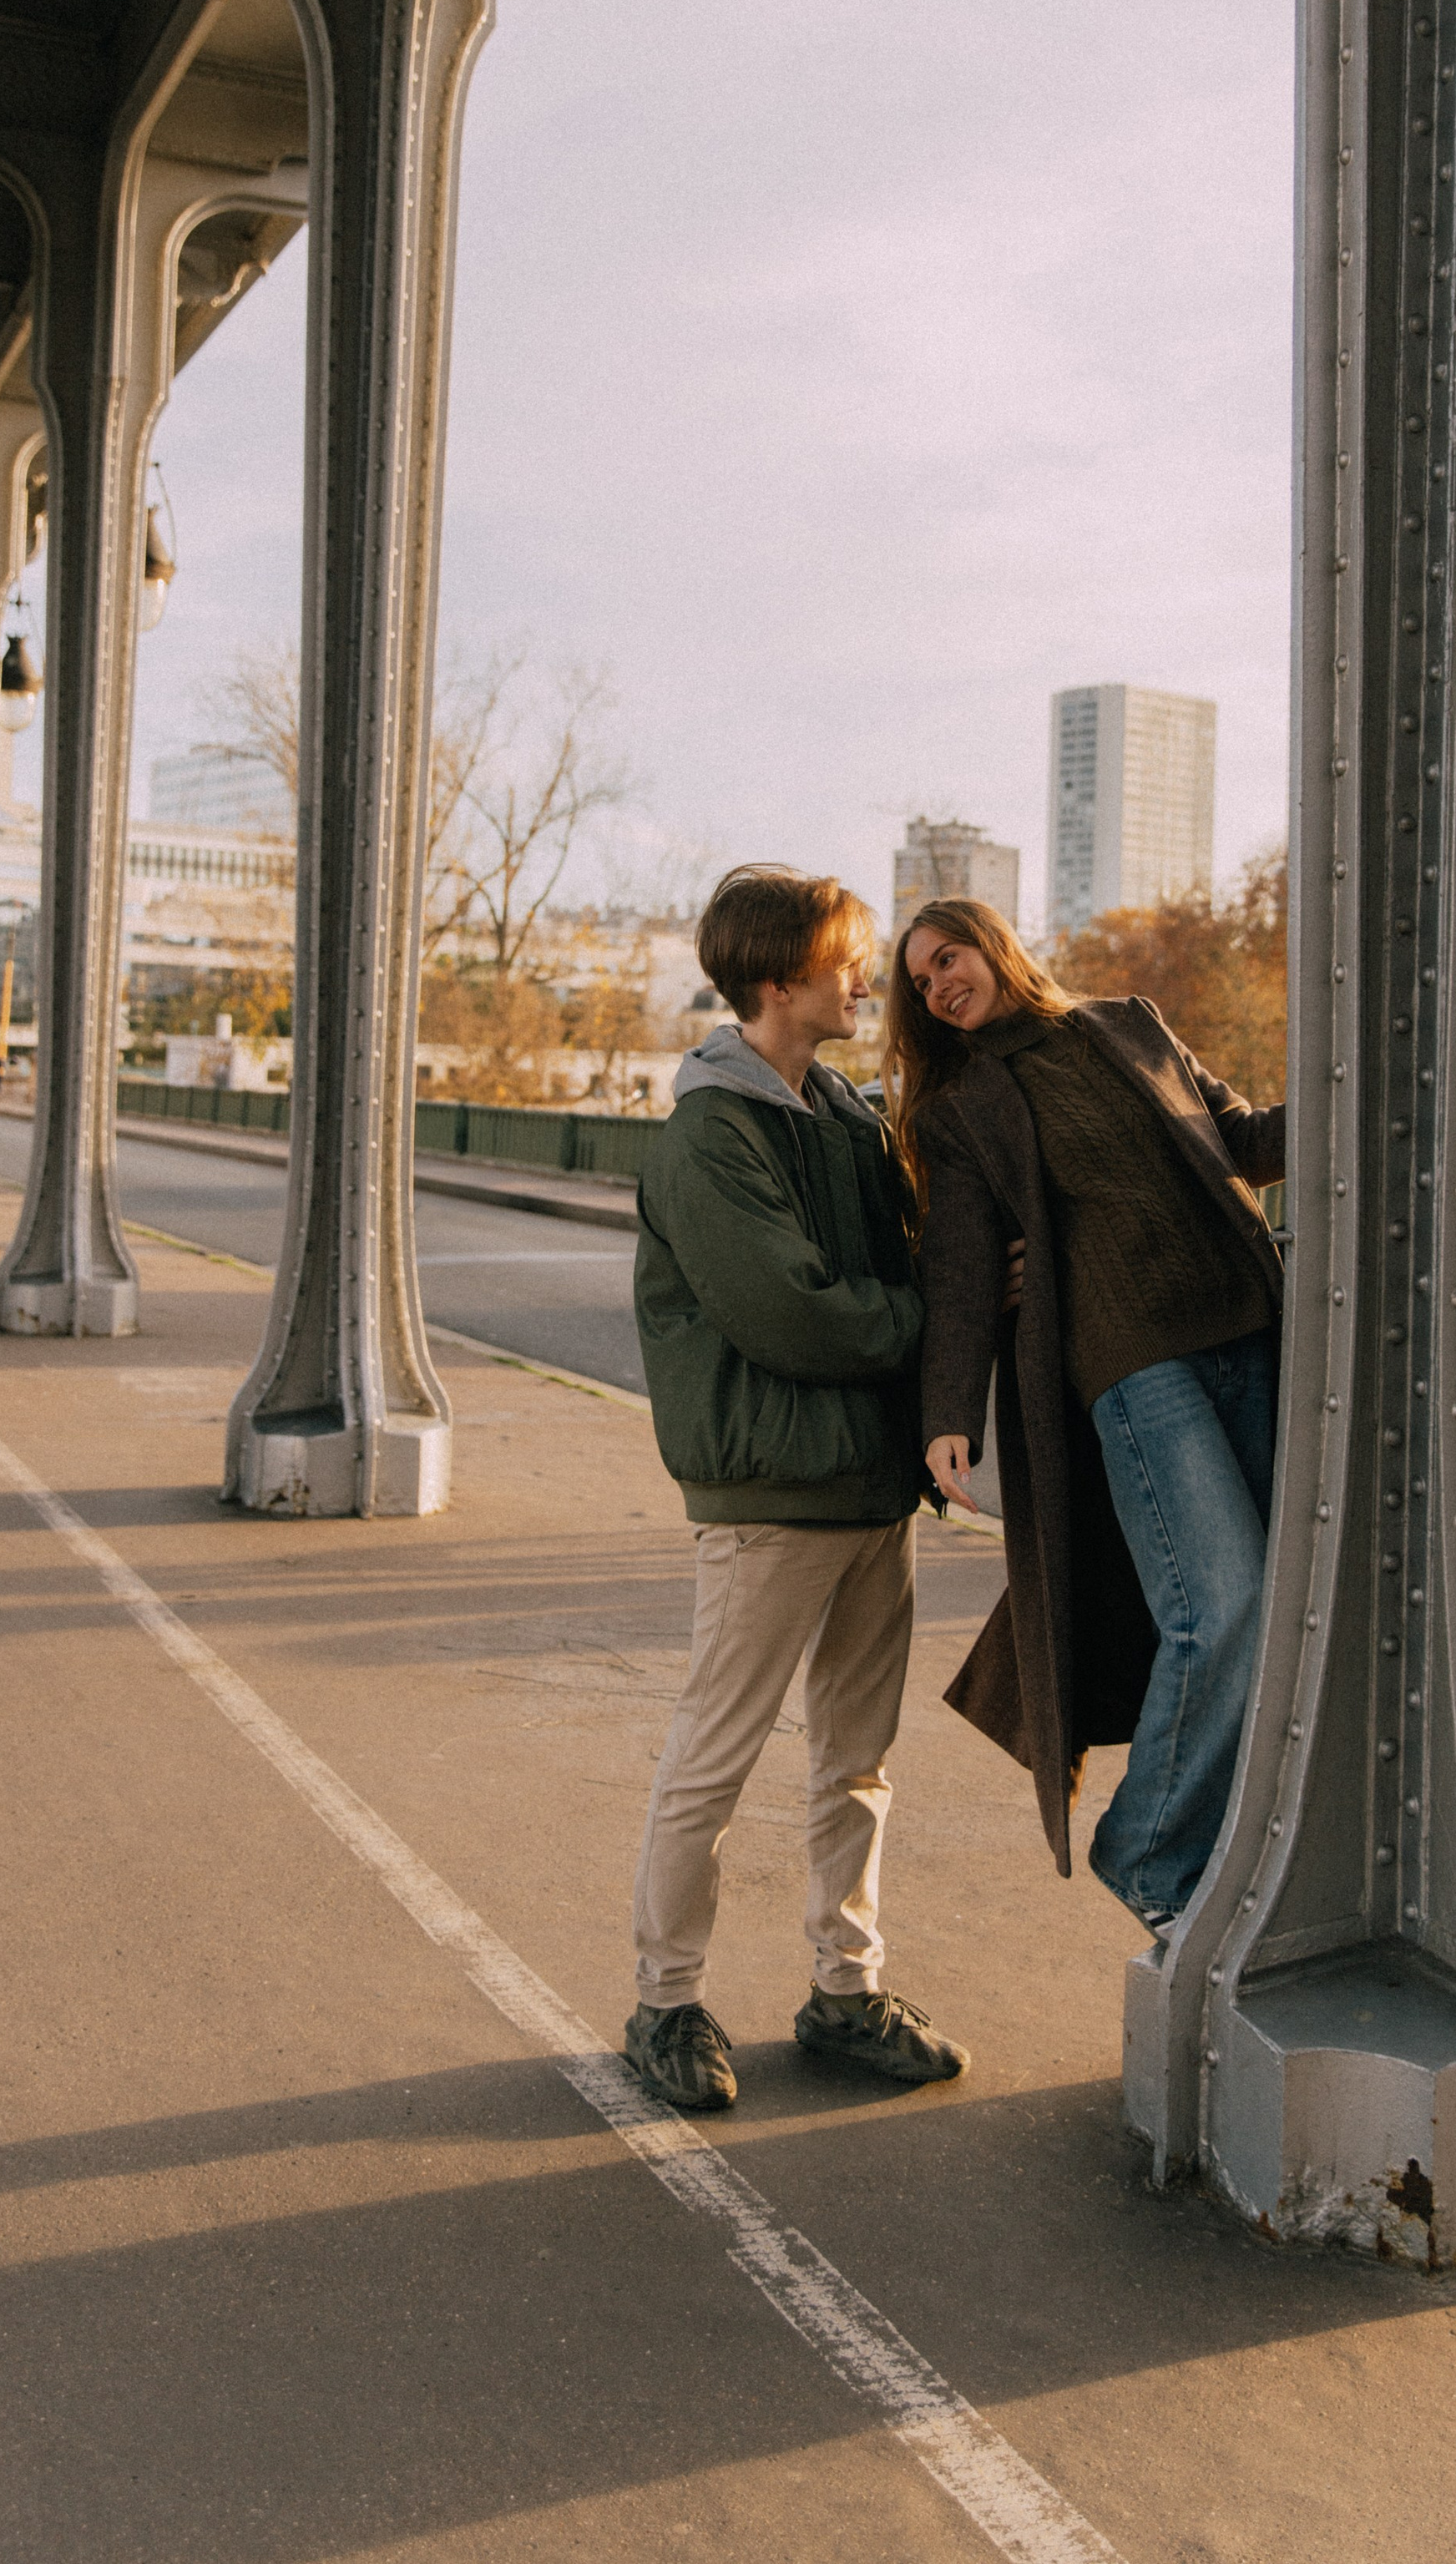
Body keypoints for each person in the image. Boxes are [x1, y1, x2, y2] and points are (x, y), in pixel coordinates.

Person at [625, 863, 969, 2114]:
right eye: (844, 959)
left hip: (870, 1493)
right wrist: (937, 1322)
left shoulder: (845, 1117)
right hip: (769, 1494)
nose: (863, 977)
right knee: (713, 1762)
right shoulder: (709, 1133)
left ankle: (846, 1991)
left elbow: (909, 1248)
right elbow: (794, 1313)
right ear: (780, 980)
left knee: (858, 1763)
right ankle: (664, 2003)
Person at [886, 897, 1287, 1939]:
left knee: (1282, 1606)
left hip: (1246, 1332)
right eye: (920, 979)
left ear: (993, 944)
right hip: (1127, 1365)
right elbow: (965, 1265)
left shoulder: (1128, 1025)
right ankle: (1149, 1853)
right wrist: (948, 1412)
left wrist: (1353, 1100)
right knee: (1222, 1604)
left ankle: (1240, 1851)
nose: (936, 985)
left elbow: (1236, 1138)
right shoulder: (961, 1104)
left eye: (947, 957)